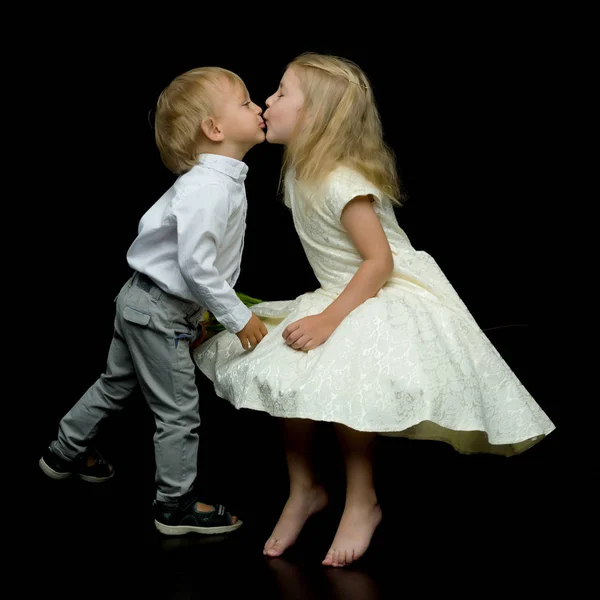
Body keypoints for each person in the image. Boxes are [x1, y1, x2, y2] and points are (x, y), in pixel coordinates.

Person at [192, 53, 555, 565]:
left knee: (348, 371)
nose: (268, 100)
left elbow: (379, 261)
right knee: (287, 370)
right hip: (347, 287)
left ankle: (362, 500)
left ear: (314, 116)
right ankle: (305, 491)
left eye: (279, 93)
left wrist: (327, 319)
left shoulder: (341, 180)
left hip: (385, 288)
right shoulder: (298, 171)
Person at [38, 66, 268, 535]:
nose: (259, 106)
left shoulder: (218, 180)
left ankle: (63, 451)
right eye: (246, 103)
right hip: (158, 310)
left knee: (114, 385)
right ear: (215, 129)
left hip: (144, 301)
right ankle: (174, 504)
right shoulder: (210, 187)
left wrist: (198, 313)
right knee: (179, 411)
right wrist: (237, 318)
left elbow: (197, 268)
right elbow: (197, 266)